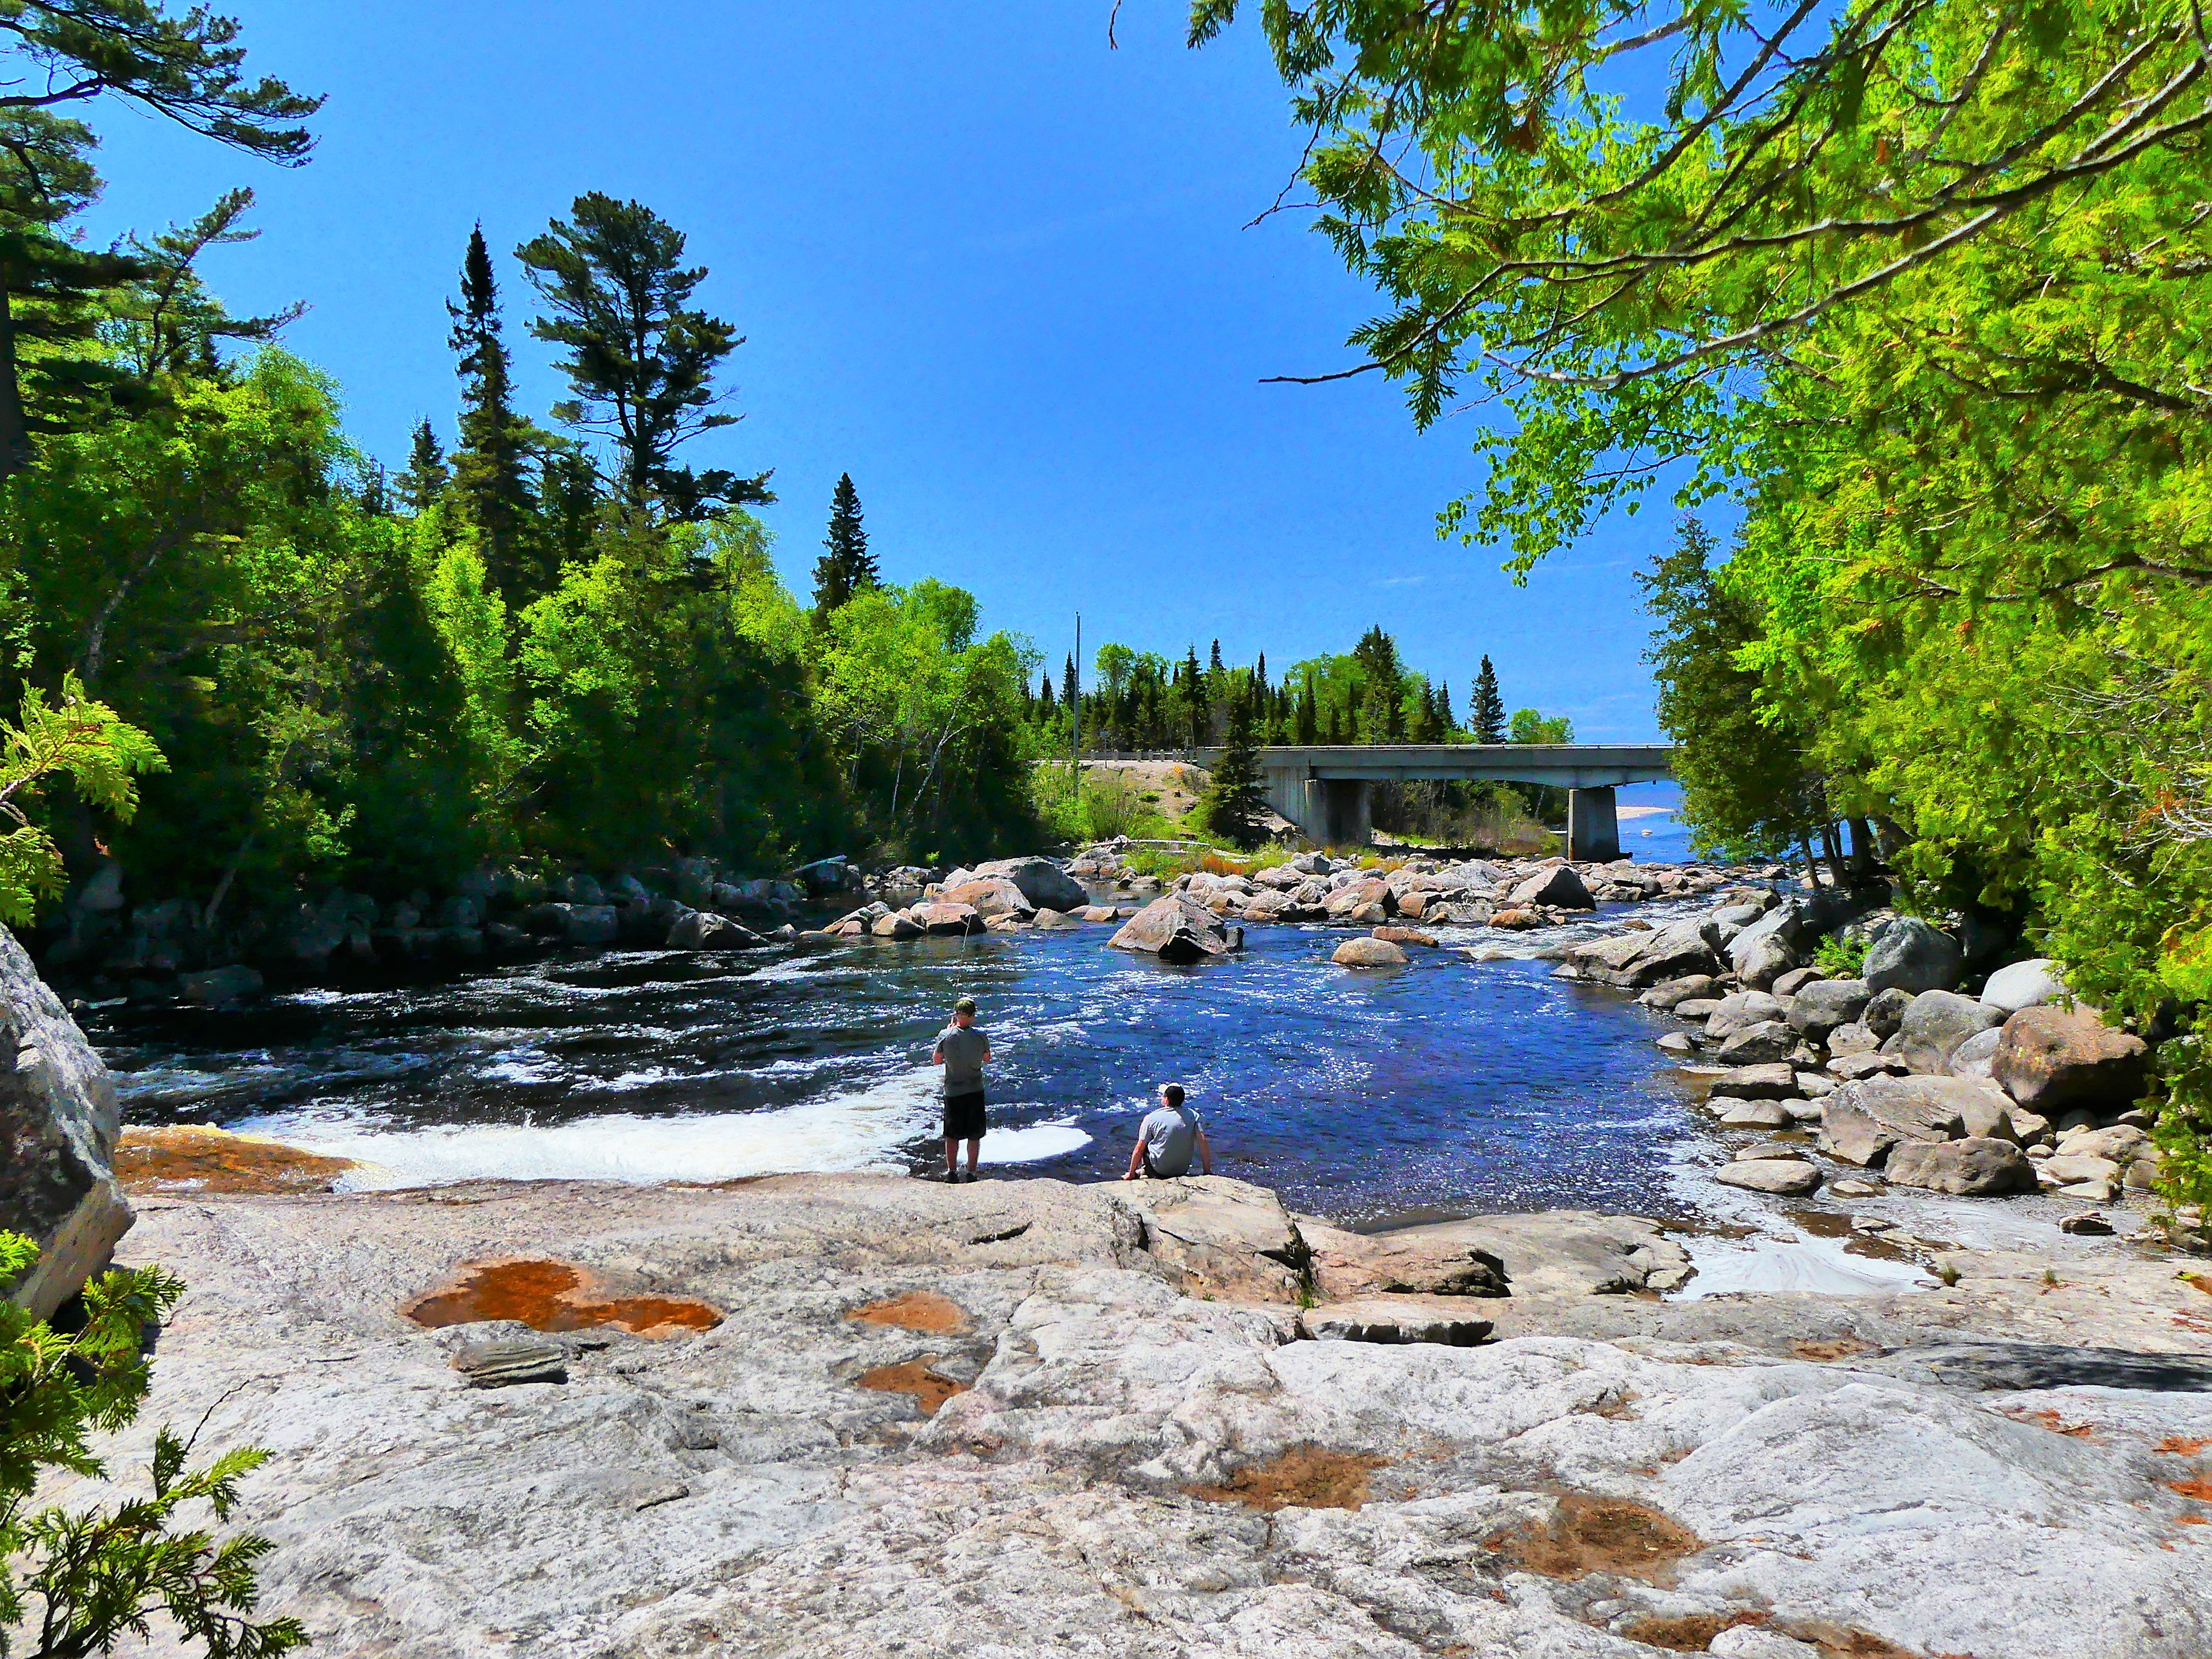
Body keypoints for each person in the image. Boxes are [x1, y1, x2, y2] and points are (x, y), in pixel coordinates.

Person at [932, 996, 991, 1182]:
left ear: (957, 1015)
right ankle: (971, 1173)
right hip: (975, 1090)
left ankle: (952, 1172)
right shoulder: (981, 1036)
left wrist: (949, 1033)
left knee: (952, 1135)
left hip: (953, 1093)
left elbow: (937, 1060)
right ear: (973, 1016)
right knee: (974, 1135)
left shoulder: (945, 1035)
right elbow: (987, 1059)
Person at [1124, 1083, 1213, 1180]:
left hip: (1160, 1171)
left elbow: (1139, 1149)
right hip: (1182, 1170)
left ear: (1166, 1100)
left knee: (1146, 1144)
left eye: (1163, 1096)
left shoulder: (1152, 1117)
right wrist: (1207, 1171)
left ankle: (1145, 1171)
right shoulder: (1194, 1116)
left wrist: (1131, 1173)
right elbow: (1203, 1143)